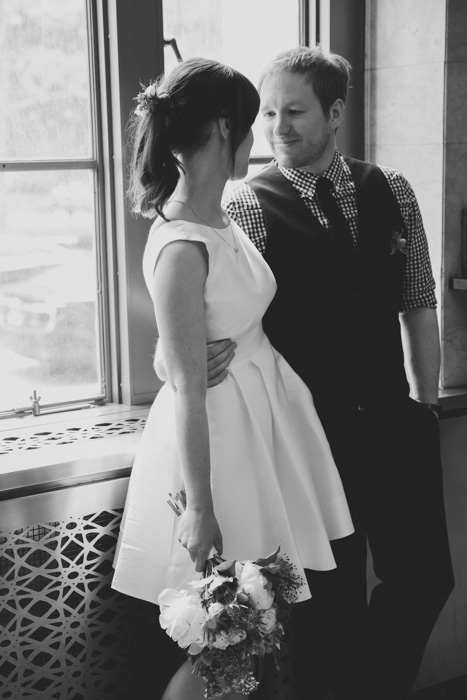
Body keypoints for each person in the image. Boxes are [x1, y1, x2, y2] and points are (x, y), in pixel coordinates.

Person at [205, 46, 454, 700]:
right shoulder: (247, 205)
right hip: (306, 438)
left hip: (393, 420)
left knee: (427, 580)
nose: (275, 127)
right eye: (267, 113)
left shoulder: (391, 190)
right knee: (327, 603)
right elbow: (227, 315)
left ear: (335, 111)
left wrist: (424, 403)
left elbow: (418, 300)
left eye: (293, 111)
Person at [111, 57, 354, 700]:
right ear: (224, 129)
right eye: (250, 124)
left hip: (260, 432)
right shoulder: (182, 243)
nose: (258, 138)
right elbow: (189, 384)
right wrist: (201, 509)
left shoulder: (221, 217)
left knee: (263, 632)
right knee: (229, 635)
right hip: (219, 448)